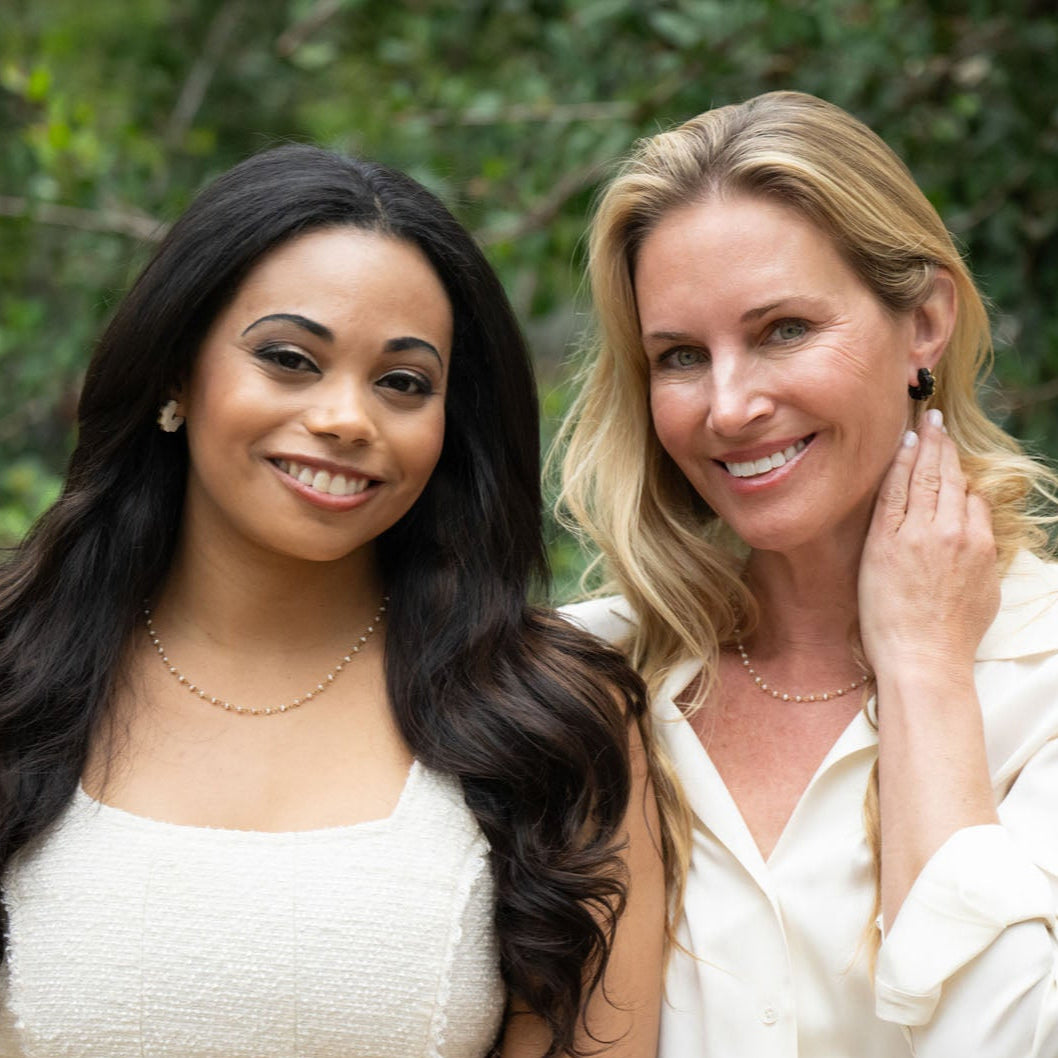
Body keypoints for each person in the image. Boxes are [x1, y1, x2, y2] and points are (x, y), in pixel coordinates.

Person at [0, 144, 671, 1058]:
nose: (347, 418)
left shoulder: (552, 725)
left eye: (403, 382)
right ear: (174, 374)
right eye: (289, 358)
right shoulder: (15, 669)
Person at [558, 91, 1058, 1057]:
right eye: (680, 356)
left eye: (784, 329)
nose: (731, 405)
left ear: (923, 321)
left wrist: (924, 668)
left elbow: (1002, 1039)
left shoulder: (1042, 672)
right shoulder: (587, 675)